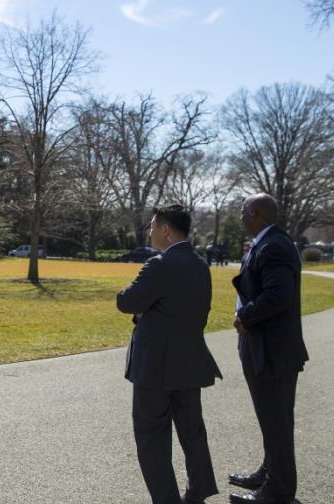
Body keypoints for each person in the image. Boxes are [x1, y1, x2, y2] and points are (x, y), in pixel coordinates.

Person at [117, 204, 222, 504]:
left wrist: (140, 310)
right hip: (190, 361)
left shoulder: (160, 265)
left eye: (152, 226)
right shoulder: (201, 264)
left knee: (152, 439)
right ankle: (198, 490)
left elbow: (127, 301)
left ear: (165, 229)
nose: (150, 231)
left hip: (155, 367)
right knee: (192, 432)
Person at [228, 193, 308, 504]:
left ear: (257, 213)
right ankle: (269, 471)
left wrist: (244, 316)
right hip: (265, 349)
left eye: (243, 211)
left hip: (273, 353)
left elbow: (278, 296)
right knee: (271, 419)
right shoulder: (268, 241)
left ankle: (279, 490)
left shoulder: (274, 245)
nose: (240, 217)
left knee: (276, 421)